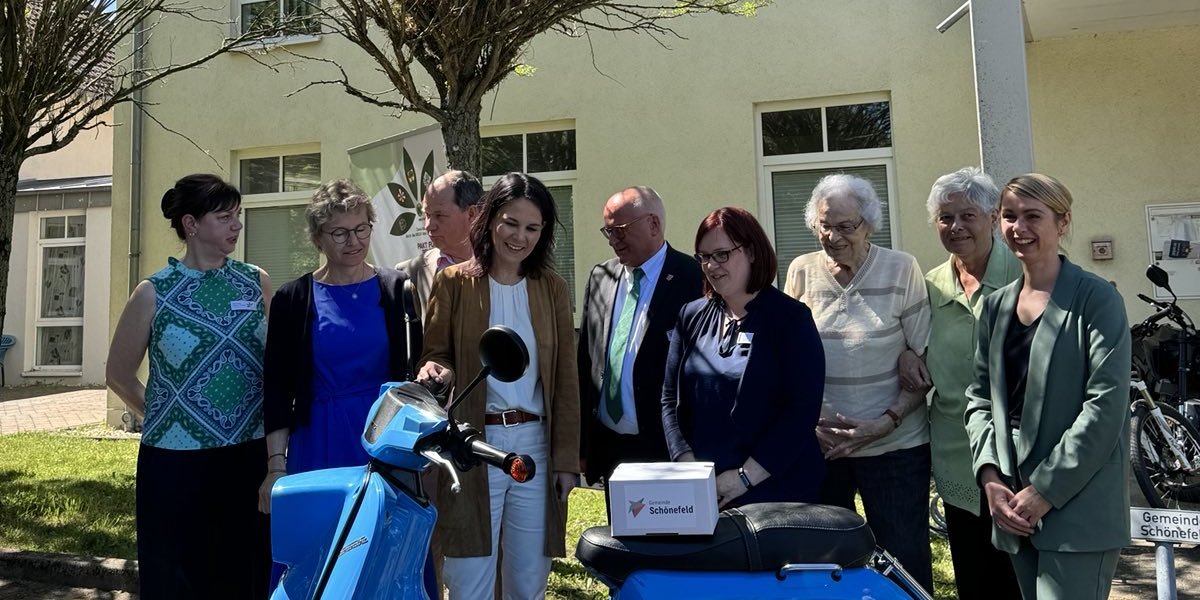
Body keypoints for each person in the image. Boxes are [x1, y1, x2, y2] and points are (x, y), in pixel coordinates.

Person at [965, 174, 1131, 599]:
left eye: (1033, 216)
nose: (1018, 228)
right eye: (1009, 216)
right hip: (1013, 502)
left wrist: (1045, 491)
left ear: (1063, 223)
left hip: (1077, 504)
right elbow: (979, 397)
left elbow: (1106, 407)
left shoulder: (1097, 299)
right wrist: (990, 478)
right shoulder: (995, 304)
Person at [106, 174, 271, 599]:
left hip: (247, 455)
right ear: (191, 224)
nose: (237, 225)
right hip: (174, 463)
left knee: (242, 571)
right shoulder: (153, 292)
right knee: (178, 576)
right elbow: (119, 374)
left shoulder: (255, 282)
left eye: (238, 216)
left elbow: (277, 363)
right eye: (224, 217)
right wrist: (169, 416)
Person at [417, 172, 580, 600]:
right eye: (511, 223)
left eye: (532, 228)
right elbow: (436, 354)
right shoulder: (454, 283)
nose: (519, 237)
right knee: (469, 579)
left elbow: (565, 381)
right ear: (489, 220)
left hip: (534, 447)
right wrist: (437, 370)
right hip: (474, 446)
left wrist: (565, 460)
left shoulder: (552, 289)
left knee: (527, 582)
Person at [783, 173, 933, 593]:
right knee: (825, 563)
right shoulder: (801, 272)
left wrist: (886, 421)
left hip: (894, 447)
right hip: (822, 447)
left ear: (869, 224)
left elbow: (925, 363)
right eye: (824, 225)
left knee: (903, 561)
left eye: (845, 226)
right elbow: (787, 360)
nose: (832, 236)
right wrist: (808, 426)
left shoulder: (902, 268)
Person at [902, 167, 1023, 599]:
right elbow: (909, 340)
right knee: (975, 573)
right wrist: (905, 353)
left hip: (1023, 454)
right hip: (957, 452)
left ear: (993, 218)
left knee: (1024, 577)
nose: (956, 227)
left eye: (968, 215)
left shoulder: (1025, 275)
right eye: (945, 217)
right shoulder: (928, 286)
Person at [661, 207, 825, 507]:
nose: (712, 266)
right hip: (704, 489)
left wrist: (743, 477)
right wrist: (688, 465)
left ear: (751, 252)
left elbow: (801, 412)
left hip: (776, 492)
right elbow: (670, 399)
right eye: (704, 257)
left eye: (722, 254)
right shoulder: (690, 315)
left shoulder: (790, 319)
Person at [578, 186, 704, 488]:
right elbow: (585, 361)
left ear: (654, 224)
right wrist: (583, 445)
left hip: (665, 449)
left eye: (620, 231)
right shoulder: (601, 277)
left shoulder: (693, 278)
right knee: (618, 535)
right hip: (610, 449)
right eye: (607, 232)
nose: (613, 241)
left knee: (668, 536)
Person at [398, 169, 485, 321]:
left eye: (439, 215)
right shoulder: (408, 275)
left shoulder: (506, 266)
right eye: (426, 215)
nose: (428, 225)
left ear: (472, 214)